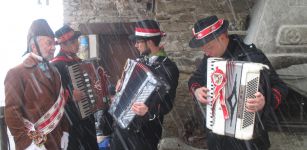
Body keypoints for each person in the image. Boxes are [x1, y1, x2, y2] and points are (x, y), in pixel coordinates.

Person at [188, 15, 288, 150]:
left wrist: (265, 102)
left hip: (249, 139)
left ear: (223, 37)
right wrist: (197, 90)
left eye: (209, 47)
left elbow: (280, 87)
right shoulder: (209, 59)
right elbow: (194, 80)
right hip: (217, 138)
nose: (206, 53)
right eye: (203, 49)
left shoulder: (252, 56)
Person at [109, 19, 179, 150]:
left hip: (145, 133)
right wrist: (120, 87)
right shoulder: (138, 61)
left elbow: (167, 104)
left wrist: (149, 111)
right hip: (122, 129)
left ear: (150, 42)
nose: (135, 45)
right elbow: (127, 88)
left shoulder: (168, 68)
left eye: (138, 41)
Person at [4, 19, 70, 150]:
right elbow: (12, 113)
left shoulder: (55, 72)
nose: (53, 48)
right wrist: (28, 144)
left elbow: (61, 106)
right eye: (49, 43)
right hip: (35, 143)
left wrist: (65, 131)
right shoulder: (16, 73)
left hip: (56, 142)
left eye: (54, 44)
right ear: (34, 46)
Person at [51, 25, 99, 150]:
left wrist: (95, 87)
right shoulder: (56, 65)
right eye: (75, 41)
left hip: (87, 118)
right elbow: (53, 94)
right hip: (71, 121)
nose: (78, 44)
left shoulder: (78, 61)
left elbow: (88, 85)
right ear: (65, 44)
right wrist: (70, 95)